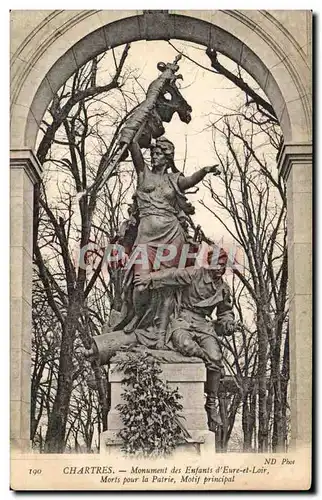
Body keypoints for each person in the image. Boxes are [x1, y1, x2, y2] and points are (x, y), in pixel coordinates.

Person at [114, 134, 221, 341]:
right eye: (152, 153)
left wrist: (205, 171)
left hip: (172, 237)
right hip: (145, 240)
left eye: (158, 154)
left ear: (167, 157)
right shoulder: (143, 173)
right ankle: (138, 317)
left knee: (167, 289)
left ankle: (161, 333)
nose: (153, 157)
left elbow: (189, 181)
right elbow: (134, 143)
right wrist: (144, 113)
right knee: (141, 284)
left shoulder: (174, 180)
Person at [133, 260, 237, 432]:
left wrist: (229, 324)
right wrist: (149, 278)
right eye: (216, 263)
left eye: (223, 264)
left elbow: (225, 313)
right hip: (182, 320)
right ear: (209, 263)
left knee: (217, 356)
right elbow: (172, 274)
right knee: (186, 345)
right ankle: (209, 363)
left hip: (204, 325)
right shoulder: (195, 274)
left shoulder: (224, 289)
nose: (219, 267)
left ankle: (211, 403)